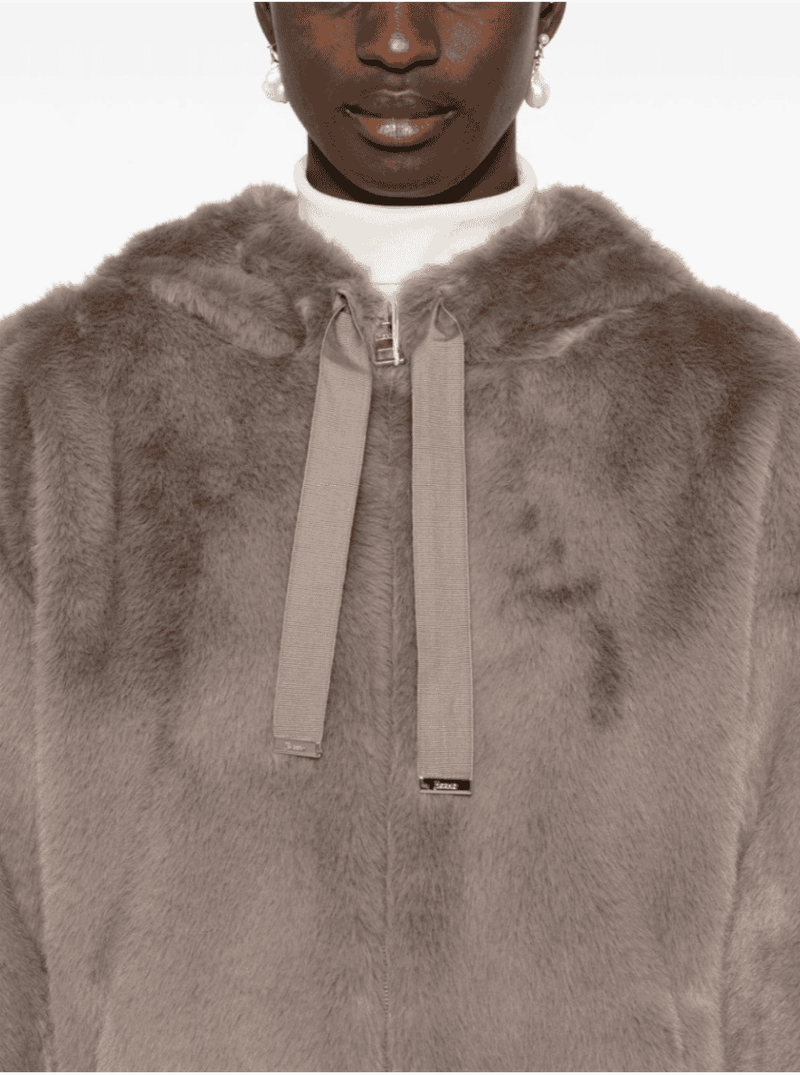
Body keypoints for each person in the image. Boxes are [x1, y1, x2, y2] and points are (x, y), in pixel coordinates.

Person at [1, 2, 799, 1069]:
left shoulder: (734, 412)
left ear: (548, 10)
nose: (396, 40)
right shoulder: (61, 402)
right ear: (266, 11)